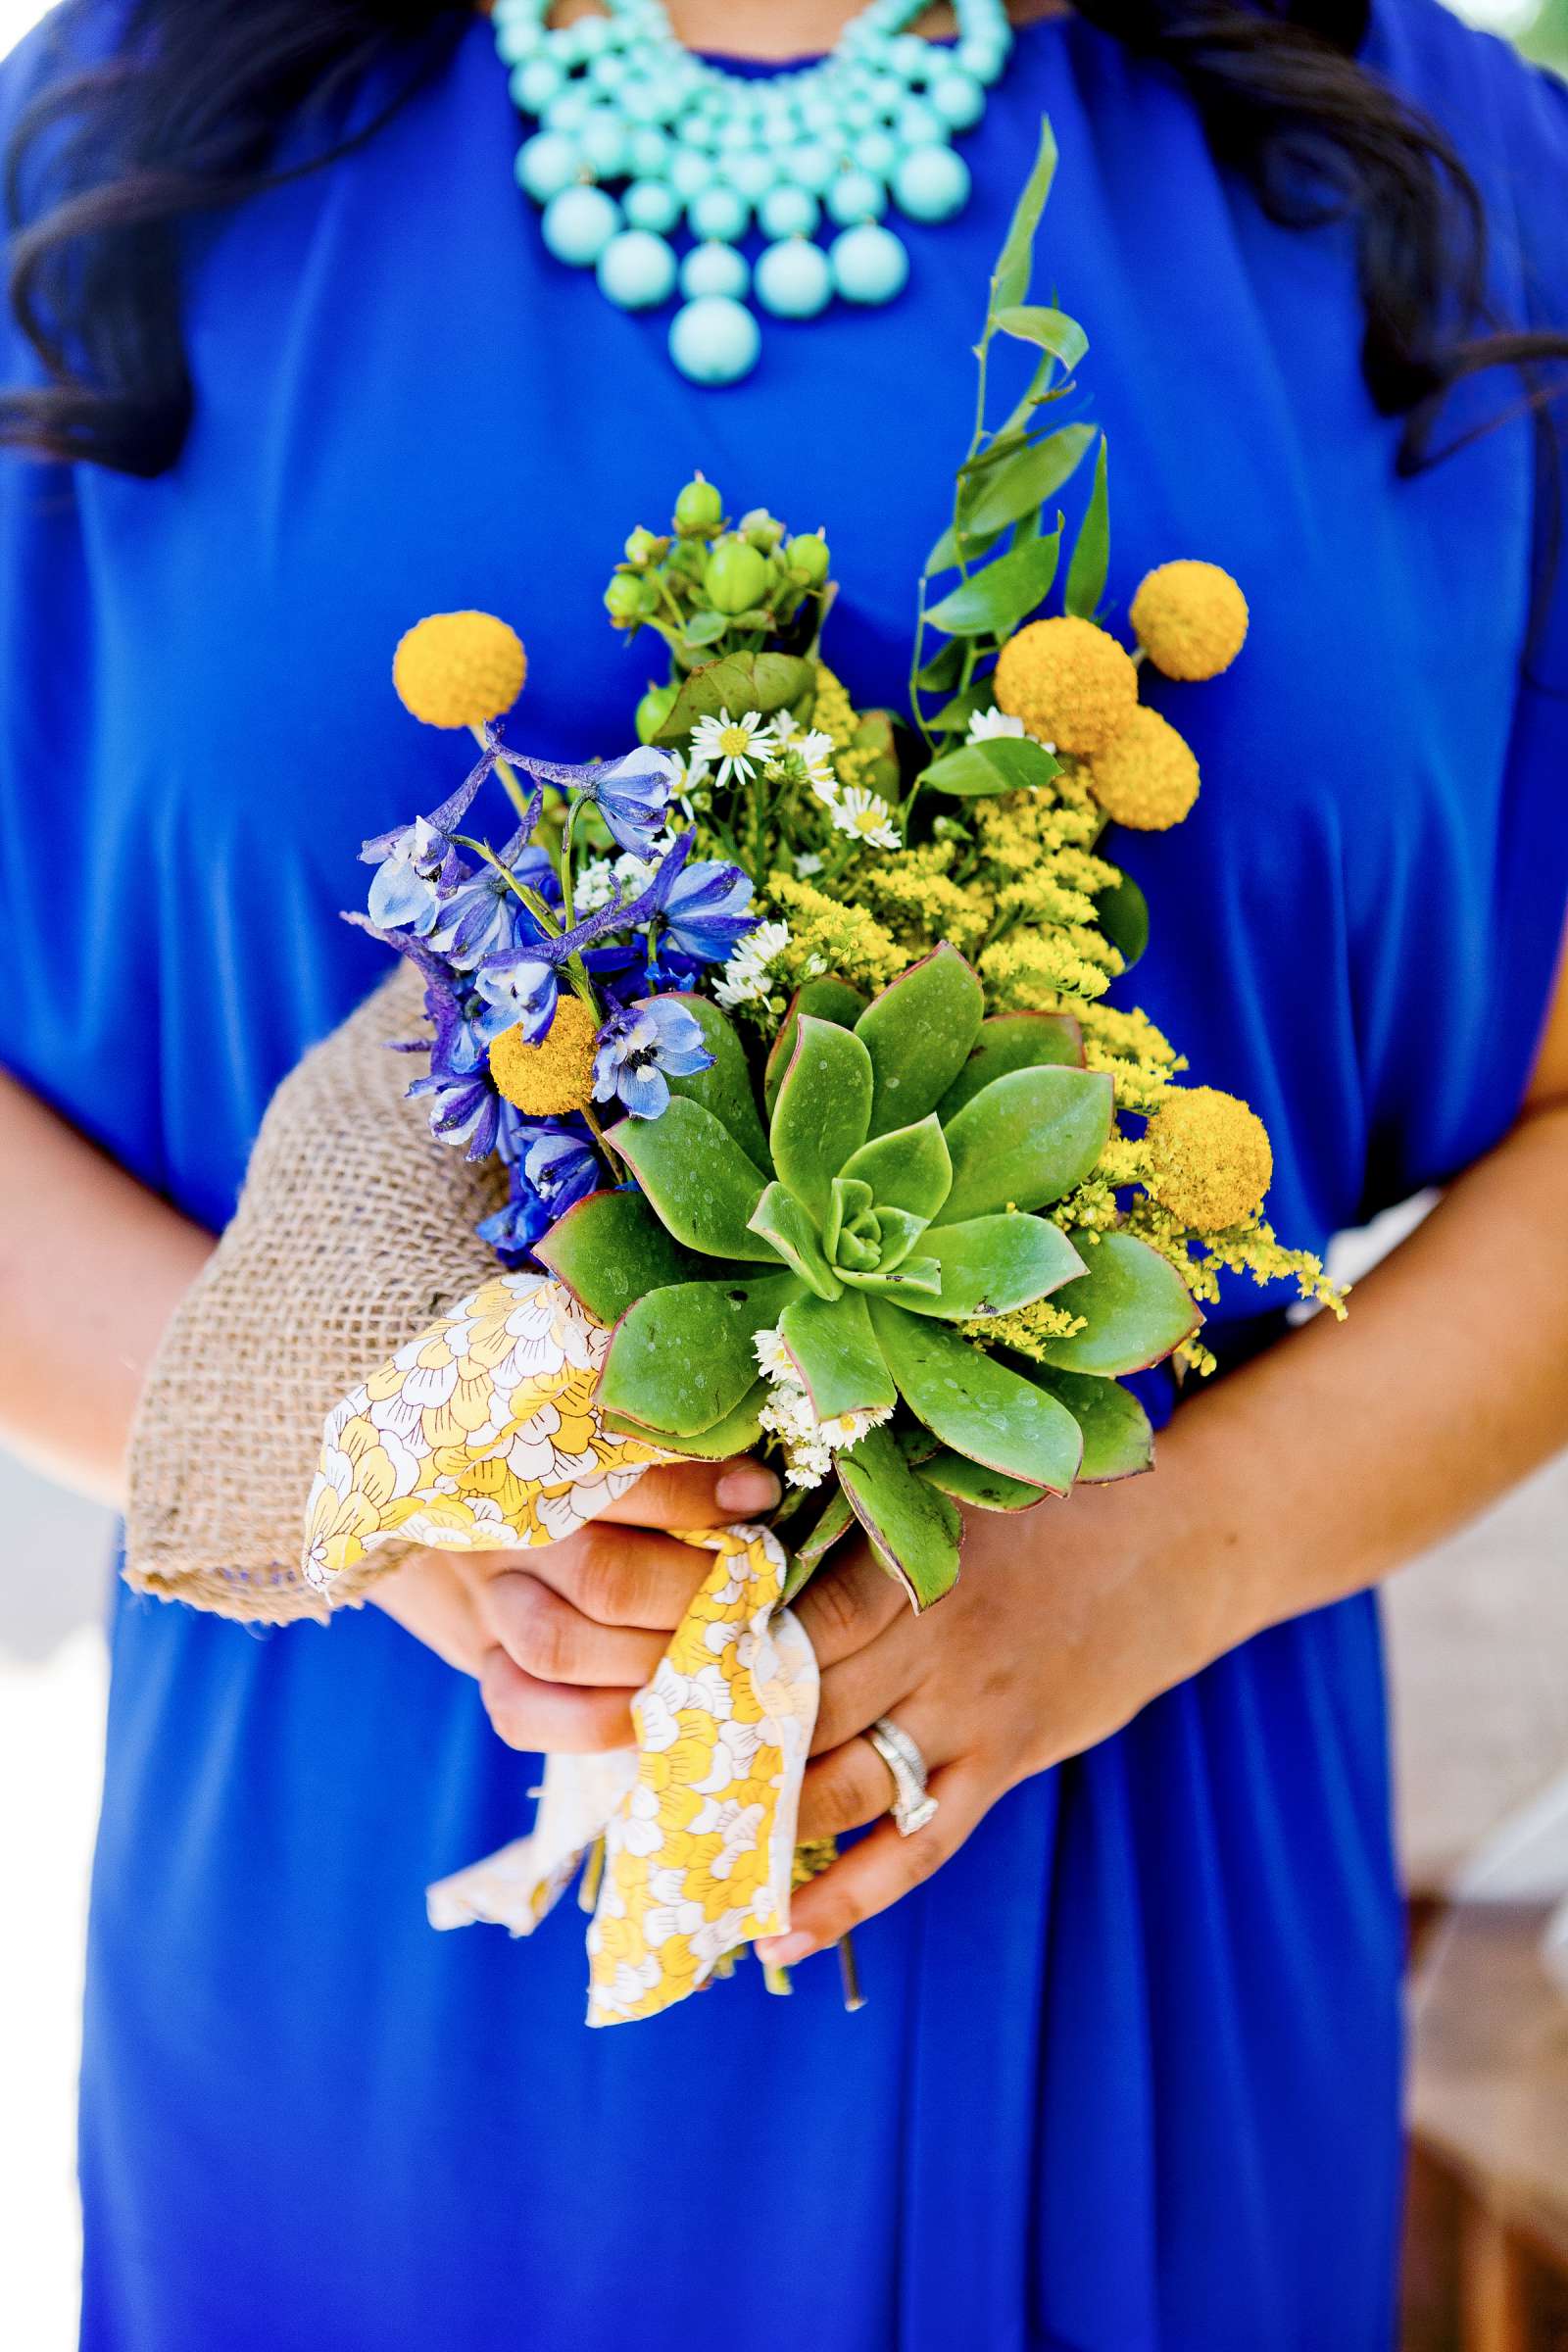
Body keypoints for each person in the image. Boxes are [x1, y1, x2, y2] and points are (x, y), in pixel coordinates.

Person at [2, 1, 1566, 2345]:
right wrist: (397, 1488)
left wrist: (1140, 1564)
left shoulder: (1453, 191)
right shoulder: (109, 157)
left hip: (1142, 1897)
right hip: (365, 1959)